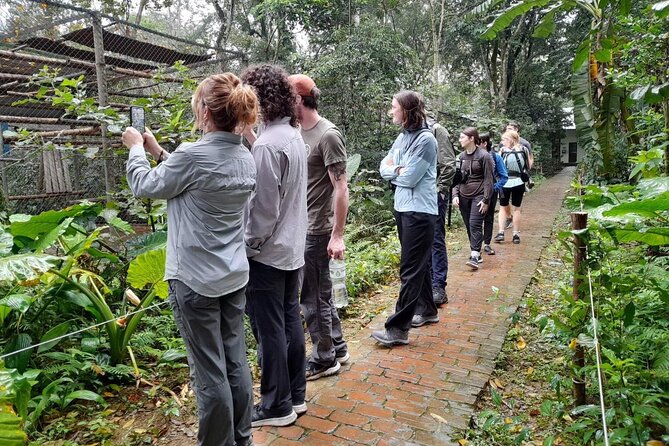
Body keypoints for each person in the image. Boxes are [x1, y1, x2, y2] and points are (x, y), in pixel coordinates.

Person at [123, 73, 258, 446]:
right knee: (235, 363)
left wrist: (135, 147)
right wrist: (158, 152)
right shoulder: (245, 157)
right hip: (233, 277)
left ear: (205, 112)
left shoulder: (192, 155)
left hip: (194, 281)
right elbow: (193, 177)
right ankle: (241, 439)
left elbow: (146, 186)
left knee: (208, 373)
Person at [241, 64, 308, 427]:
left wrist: (248, 246)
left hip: (267, 254)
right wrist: (252, 136)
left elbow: (264, 212)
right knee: (289, 322)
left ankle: (275, 406)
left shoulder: (268, 146)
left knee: (269, 331)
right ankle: (295, 396)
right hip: (291, 248)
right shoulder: (290, 135)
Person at [288, 74, 350, 380]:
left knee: (312, 297)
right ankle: (337, 346)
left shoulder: (327, 135)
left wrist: (337, 235)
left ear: (299, 99)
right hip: (302, 225)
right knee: (320, 292)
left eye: (288, 96)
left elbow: (341, 188)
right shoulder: (296, 131)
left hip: (318, 228)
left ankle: (324, 358)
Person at [373, 90, 438, 346]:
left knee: (409, 268)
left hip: (419, 211)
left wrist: (395, 172)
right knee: (416, 264)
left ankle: (398, 329)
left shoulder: (426, 140)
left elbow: (410, 178)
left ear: (407, 111)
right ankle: (428, 310)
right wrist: (395, 170)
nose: (391, 111)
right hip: (403, 207)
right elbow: (383, 166)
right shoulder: (402, 137)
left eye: (394, 107)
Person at [452, 127, 494, 270]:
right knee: (469, 225)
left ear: (471, 138)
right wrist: (455, 195)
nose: (460, 140)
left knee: (475, 223)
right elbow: (456, 178)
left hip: (479, 195)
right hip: (464, 196)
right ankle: (476, 250)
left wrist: (486, 199)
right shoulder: (461, 157)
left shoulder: (484, 156)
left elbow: (489, 179)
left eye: (462, 137)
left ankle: (474, 256)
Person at [429, 117, 456, 306]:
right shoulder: (408, 132)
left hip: (434, 195)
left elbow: (448, 165)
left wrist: (440, 191)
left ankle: (438, 286)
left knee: (436, 239)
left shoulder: (437, 130)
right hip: (416, 197)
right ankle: (427, 284)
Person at [495, 130, 532, 244]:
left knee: (502, 207)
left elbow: (497, 167)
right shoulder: (523, 149)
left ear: (510, 139)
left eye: (504, 139)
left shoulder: (502, 151)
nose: (502, 142)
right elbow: (528, 165)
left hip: (505, 182)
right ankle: (516, 234)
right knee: (517, 209)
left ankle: (501, 232)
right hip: (519, 182)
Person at [479, 132, 508, 256]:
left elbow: (504, 176)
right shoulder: (473, 156)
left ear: (484, 143)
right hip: (476, 191)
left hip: (491, 192)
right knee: (475, 219)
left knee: (488, 217)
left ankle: (487, 244)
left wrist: (494, 188)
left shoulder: (496, 157)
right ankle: (475, 244)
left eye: (477, 142)